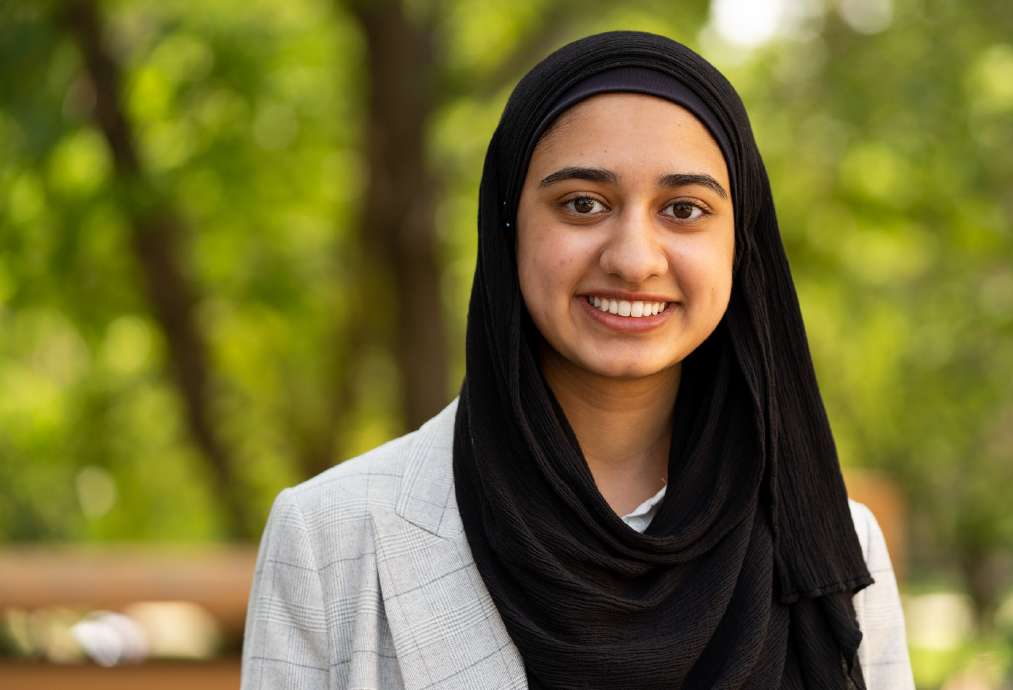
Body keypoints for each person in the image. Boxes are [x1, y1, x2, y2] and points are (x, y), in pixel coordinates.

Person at [240, 30, 914, 690]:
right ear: (507, 227)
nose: (633, 258)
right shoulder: (329, 537)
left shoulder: (835, 544)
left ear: (742, 244)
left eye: (683, 209)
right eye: (583, 204)